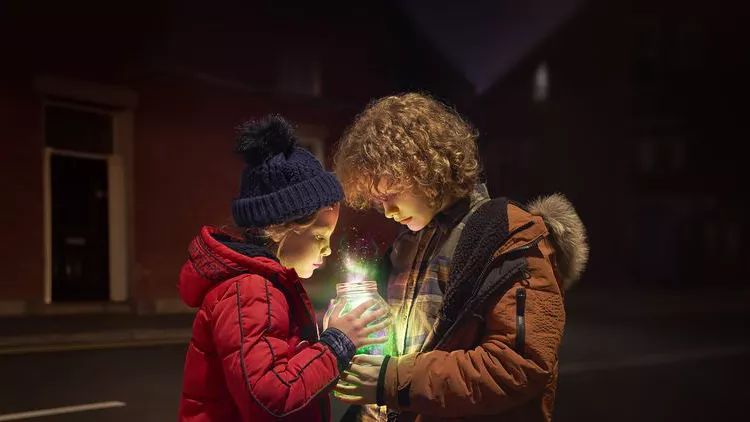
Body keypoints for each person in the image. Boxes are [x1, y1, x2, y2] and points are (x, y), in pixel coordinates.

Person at [332, 93, 589, 421]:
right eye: (376, 200)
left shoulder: (510, 235)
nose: (386, 211)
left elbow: (518, 364)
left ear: (424, 169)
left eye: (390, 196)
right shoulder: (407, 243)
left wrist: (393, 380)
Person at [177, 115, 388, 421]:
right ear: (283, 229)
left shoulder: (262, 284)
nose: (328, 249)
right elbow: (271, 394)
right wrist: (337, 343)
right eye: (319, 236)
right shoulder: (251, 289)